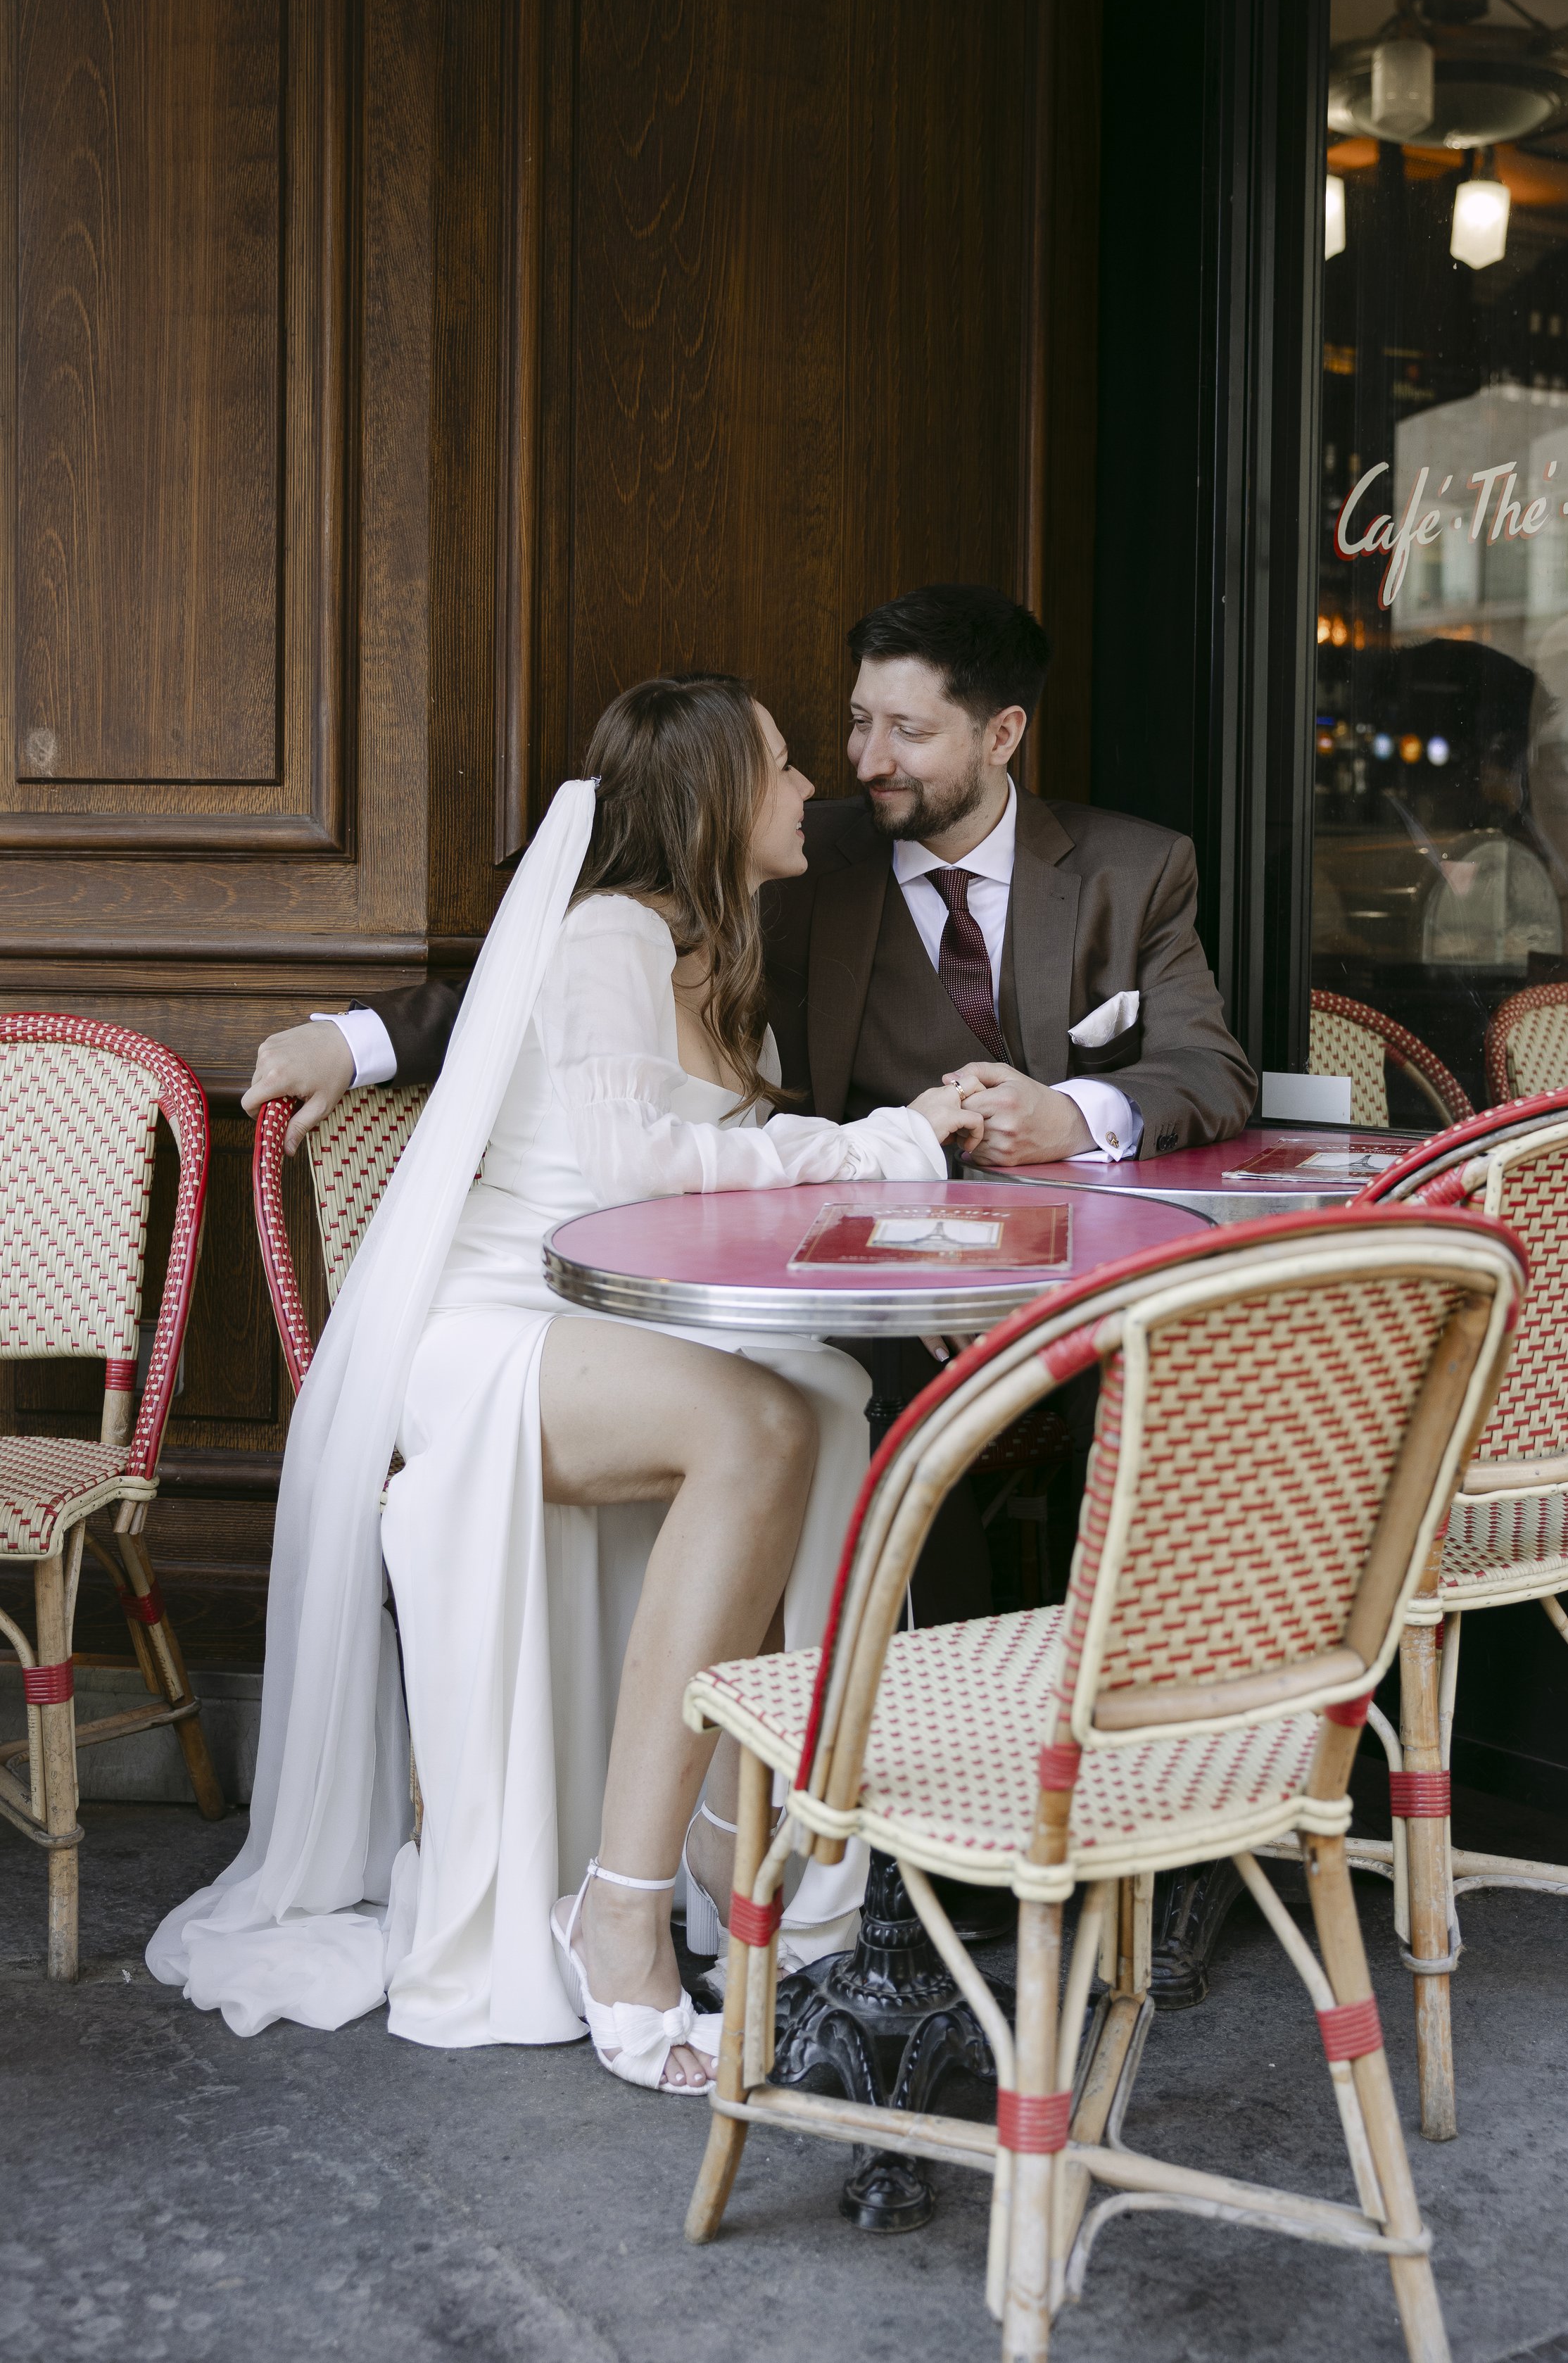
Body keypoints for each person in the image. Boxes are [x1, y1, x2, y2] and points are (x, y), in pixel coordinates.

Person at [148, 678, 978, 2095]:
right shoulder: (604, 935)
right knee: (754, 1425)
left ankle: (747, 1849)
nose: (809, 789)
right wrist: (889, 1142)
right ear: (717, 796)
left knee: (827, 1397)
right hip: (497, 1334)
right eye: (784, 766)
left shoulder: (720, 963)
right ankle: (620, 1912)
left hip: (620, 1325)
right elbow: (633, 1165)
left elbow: (728, 1200)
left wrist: (918, 1229)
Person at [244, 589, 1256, 1619]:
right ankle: (892, 1693)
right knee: (862, 1407)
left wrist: (1076, 1115)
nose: (865, 761)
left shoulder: (1136, 869)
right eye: (859, 721)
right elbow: (547, 980)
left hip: (1084, 1269)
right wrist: (356, 1039)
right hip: (847, 1276)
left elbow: (1209, 1067)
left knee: (1184, 1374)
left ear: (1001, 735)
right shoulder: (795, 855)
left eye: (908, 731)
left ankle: (1150, 1677)